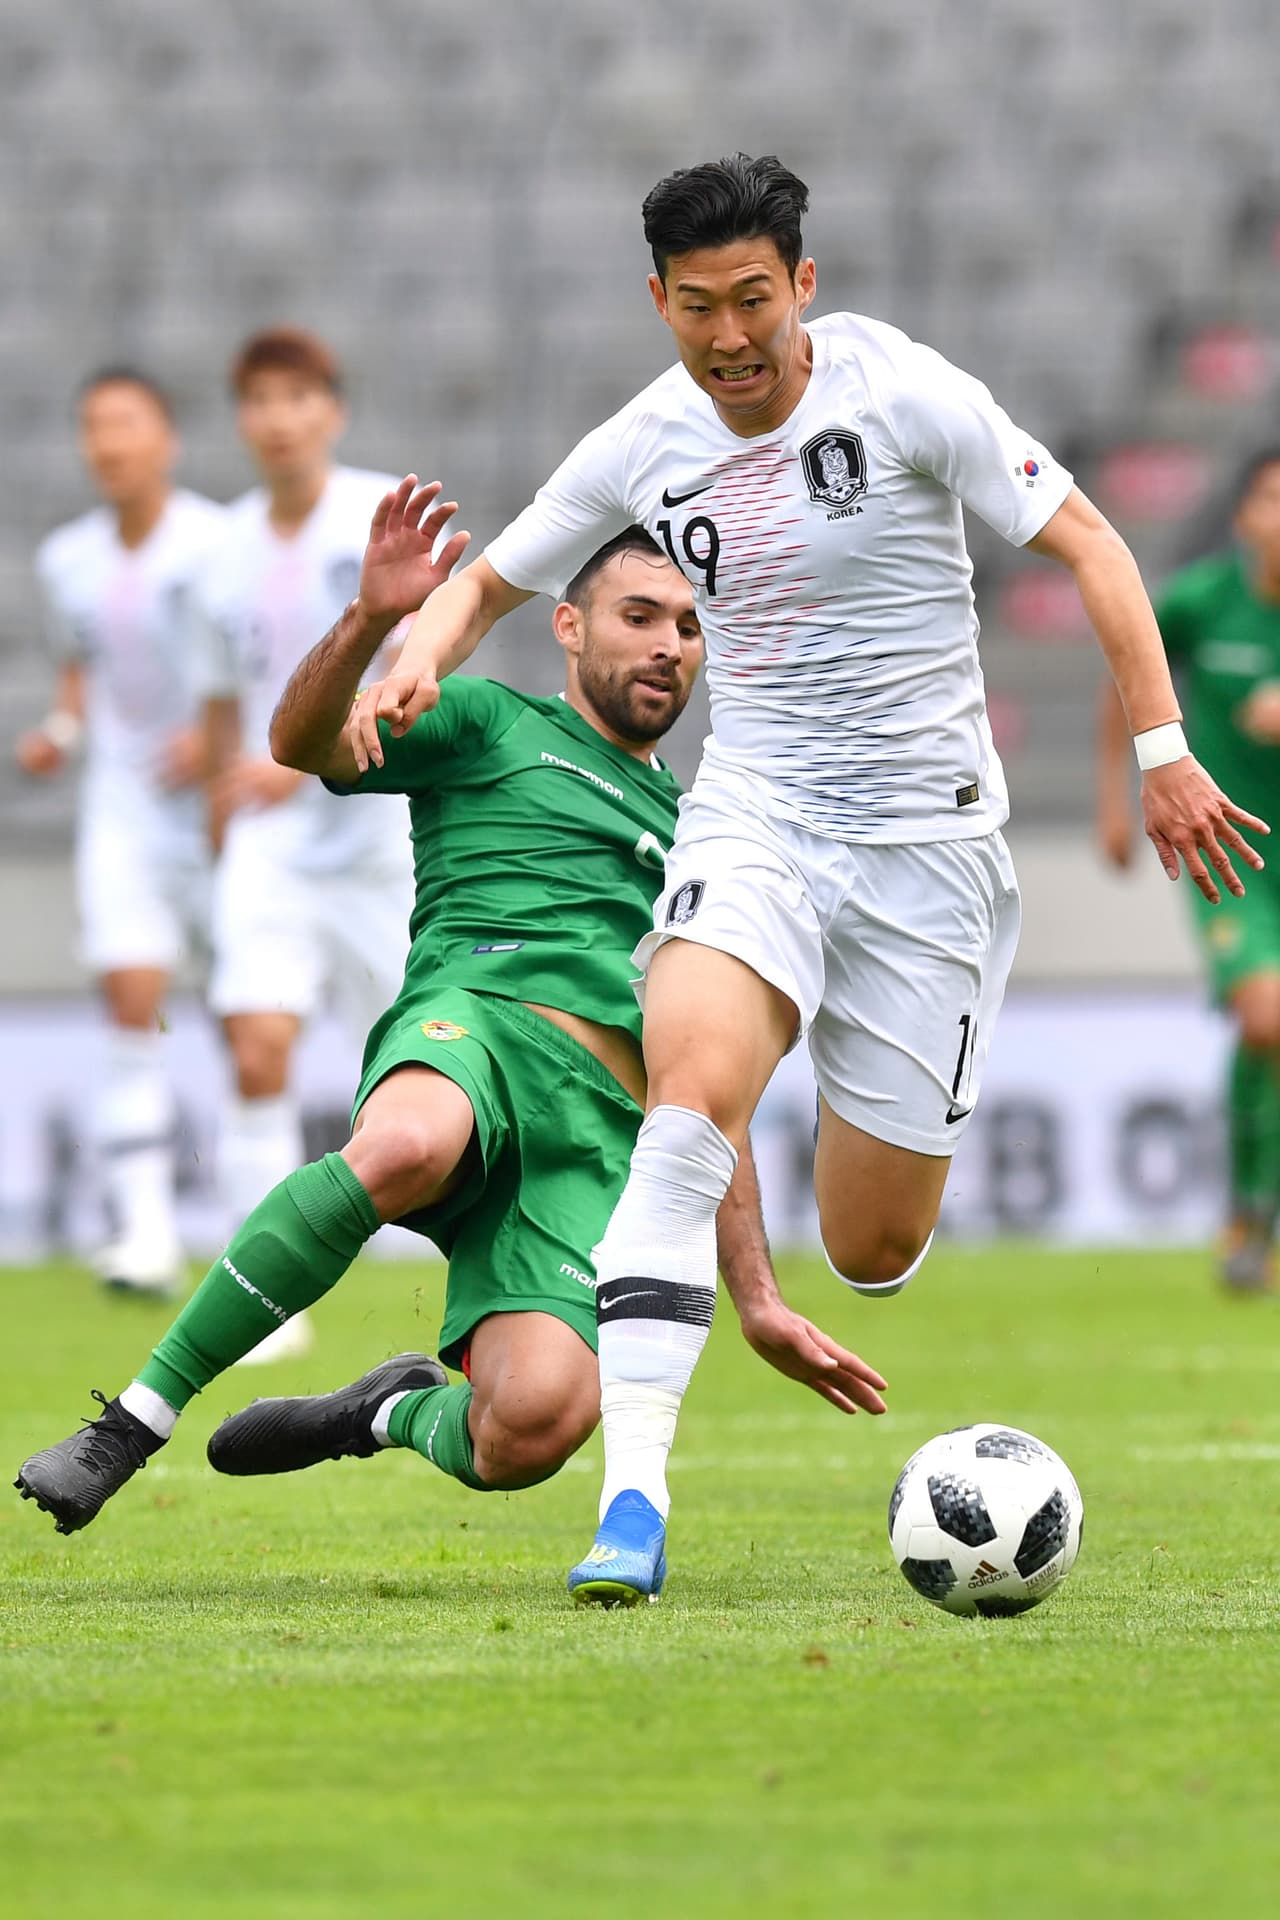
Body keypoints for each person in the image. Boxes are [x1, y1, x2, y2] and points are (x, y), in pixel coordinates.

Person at [343, 153, 1269, 1605]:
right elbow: (489, 581)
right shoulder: (642, 441)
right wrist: (419, 650)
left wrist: (1162, 747)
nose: (729, 336)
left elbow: (1088, 539)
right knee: (687, 1102)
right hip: (757, 816)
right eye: (698, 306)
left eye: (755, 300)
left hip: (928, 849)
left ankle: (793, 1287)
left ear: (805, 287)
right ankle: (632, 1510)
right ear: (658, 300)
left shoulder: (902, 392)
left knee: (872, 1246)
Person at [15, 490, 887, 1564]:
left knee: (530, 1432)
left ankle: (382, 1411)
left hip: (602, 1136)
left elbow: (712, 1090)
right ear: (568, 627)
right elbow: (300, 745)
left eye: (689, 625)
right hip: (476, 1021)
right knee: (405, 1145)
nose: (667, 646)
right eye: (639, 616)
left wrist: (756, 1297)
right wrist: (367, 621)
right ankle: (131, 1423)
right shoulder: (488, 724)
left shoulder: (713, 842)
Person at [196, 327, 417, 1360]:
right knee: (257, 1046)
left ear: (330, 409)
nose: (278, 419)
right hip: (268, 847)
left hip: (375, 836)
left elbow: (416, 673)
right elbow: (215, 708)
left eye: (297, 398)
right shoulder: (220, 551)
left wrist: (300, 756)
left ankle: (447, 1229)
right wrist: (220, 818)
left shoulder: (382, 519)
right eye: (259, 400)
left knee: (412, 1052)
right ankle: (265, 1301)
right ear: (242, 420)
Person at [15, 368, 226, 1294]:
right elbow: (80, 683)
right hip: (126, 814)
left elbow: (270, 660)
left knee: (250, 1022)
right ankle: (144, 1235)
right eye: (94, 426)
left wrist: (215, 741)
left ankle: (260, 1220)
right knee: (130, 1003)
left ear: (166, 438)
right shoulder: (67, 558)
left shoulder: (219, 543)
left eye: (126, 424)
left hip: (225, 814)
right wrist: (56, 739)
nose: (108, 443)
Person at [1098, 448, 1280, 1291]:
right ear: (1244, 514)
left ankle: (1255, 1204)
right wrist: (1117, 795)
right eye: (1272, 499)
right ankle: (1250, 1206)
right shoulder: (1201, 602)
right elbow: (1128, 682)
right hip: (1237, 854)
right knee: (1269, 1019)